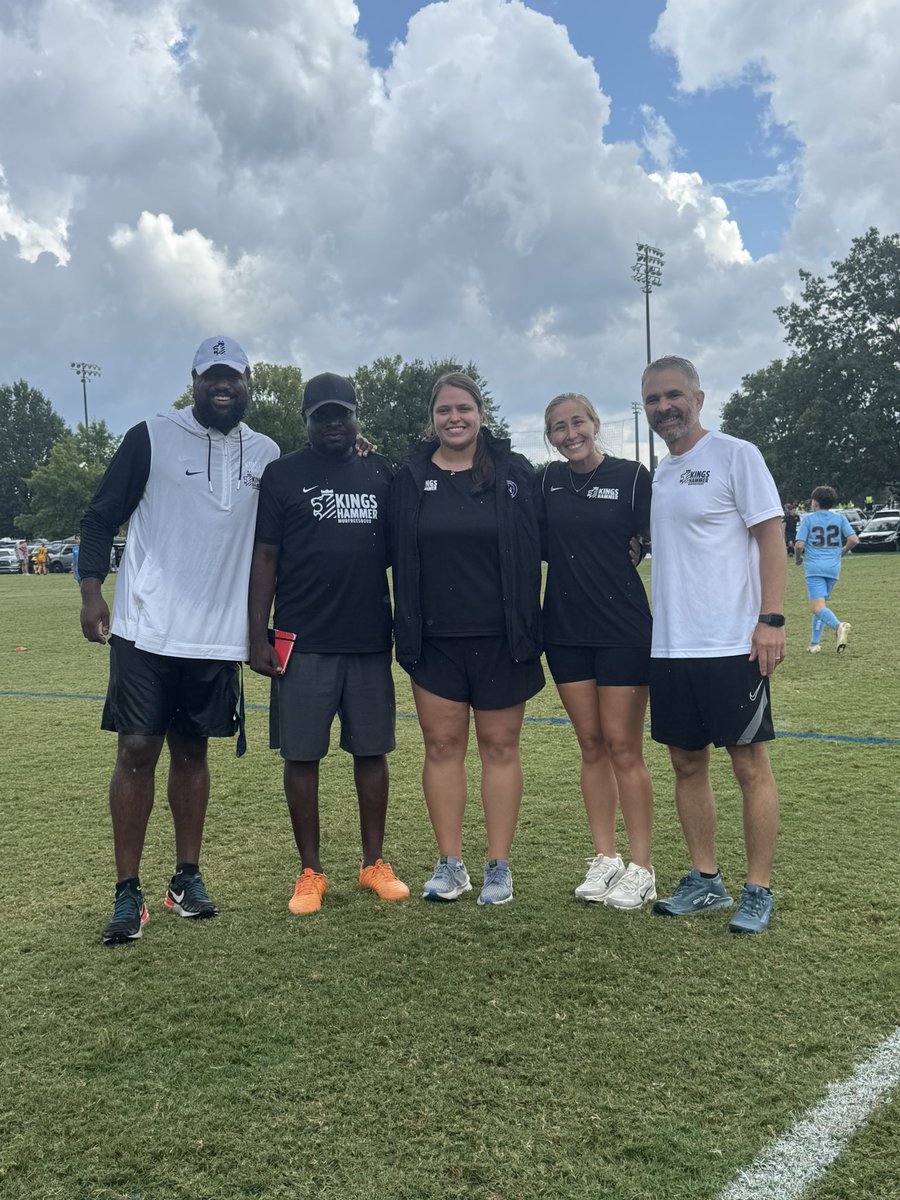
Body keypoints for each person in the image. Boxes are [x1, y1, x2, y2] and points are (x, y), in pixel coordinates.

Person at [79, 336, 280, 946]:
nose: (223, 386)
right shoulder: (150, 435)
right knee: (138, 750)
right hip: (146, 627)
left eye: (234, 378)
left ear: (248, 384)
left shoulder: (268, 452)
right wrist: (92, 592)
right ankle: (127, 892)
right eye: (211, 377)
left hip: (217, 637)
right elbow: (99, 516)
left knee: (194, 753)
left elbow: (292, 513)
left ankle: (185, 879)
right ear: (193, 382)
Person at [248, 372, 409, 915]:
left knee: (372, 750)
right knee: (302, 754)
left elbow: (403, 548)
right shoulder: (282, 474)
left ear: (357, 416)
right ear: (307, 420)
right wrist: (257, 634)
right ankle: (310, 870)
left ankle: (373, 863)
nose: (334, 423)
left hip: (367, 638)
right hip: (302, 640)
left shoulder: (381, 471)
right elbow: (265, 558)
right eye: (322, 415)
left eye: (342, 413)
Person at [641, 356, 786, 935]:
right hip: (672, 646)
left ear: (698, 398)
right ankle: (705, 879)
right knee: (685, 762)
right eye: (653, 400)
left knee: (749, 765)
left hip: (732, 643)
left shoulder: (736, 455)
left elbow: (771, 537)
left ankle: (758, 888)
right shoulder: (661, 472)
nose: (663, 408)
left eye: (673, 395)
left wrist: (770, 619)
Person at [392, 372, 543, 906]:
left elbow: (559, 528)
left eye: (464, 408)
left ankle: (498, 865)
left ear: (481, 413)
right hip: (432, 642)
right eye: (443, 411)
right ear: (431, 419)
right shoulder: (407, 477)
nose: (454, 418)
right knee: (441, 748)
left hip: (504, 639)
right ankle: (450, 864)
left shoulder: (514, 472)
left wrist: (632, 539)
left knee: (500, 748)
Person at [536, 392, 656, 909]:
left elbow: (660, 536)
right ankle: (605, 859)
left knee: (625, 747)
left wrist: (642, 545)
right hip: (563, 631)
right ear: (550, 436)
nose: (570, 434)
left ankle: (642, 866)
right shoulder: (545, 481)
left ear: (595, 423)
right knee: (591, 745)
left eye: (577, 422)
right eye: (559, 428)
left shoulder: (633, 477)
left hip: (623, 629)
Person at [794, 486, 858, 653]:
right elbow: (853, 539)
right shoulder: (840, 518)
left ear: (814, 502)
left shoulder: (808, 519)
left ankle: (839, 626)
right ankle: (815, 643)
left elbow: (799, 544)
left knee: (817, 606)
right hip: (833, 568)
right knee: (821, 606)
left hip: (814, 567)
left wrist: (798, 558)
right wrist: (842, 552)